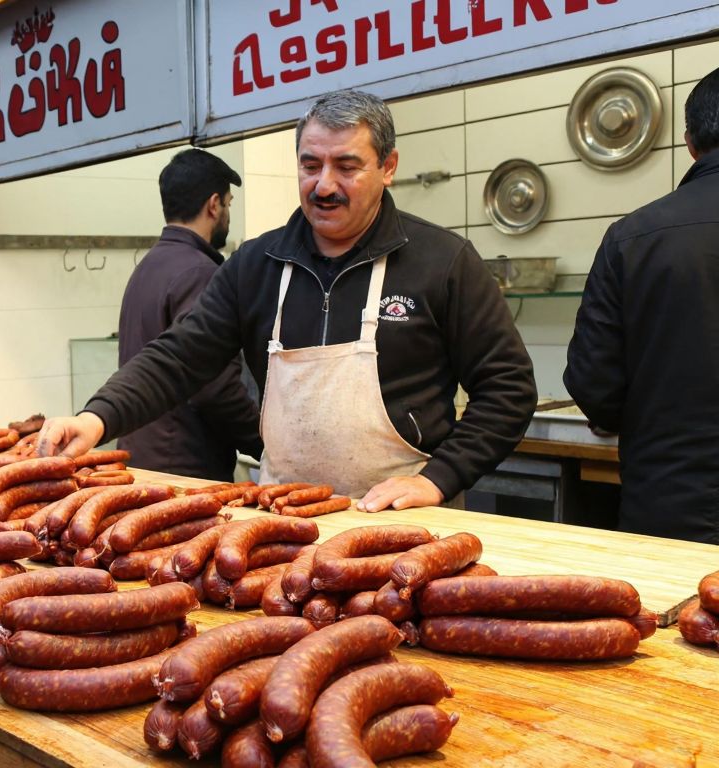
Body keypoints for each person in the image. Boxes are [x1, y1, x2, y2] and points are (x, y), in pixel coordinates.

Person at [39, 90, 536, 510]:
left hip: (406, 520)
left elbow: (508, 388)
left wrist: (438, 479)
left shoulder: (443, 261)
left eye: (346, 166)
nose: (324, 185)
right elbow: (178, 358)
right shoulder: (257, 264)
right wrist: (96, 417)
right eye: (310, 164)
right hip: (283, 519)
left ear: (388, 168)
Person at [565, 66, 719, 544]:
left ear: (690, 142)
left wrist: (616, 415)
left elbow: (593, 384)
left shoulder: (633, 238)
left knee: (682, 621)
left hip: (672, 506)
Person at [114, 149, 258, 481]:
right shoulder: (200, 272)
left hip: (141, 461)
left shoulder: (148, 266)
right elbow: (214, 387)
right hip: (186, 471)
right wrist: (264, 443)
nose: (227, 214)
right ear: (213, 205)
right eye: (229, 204)